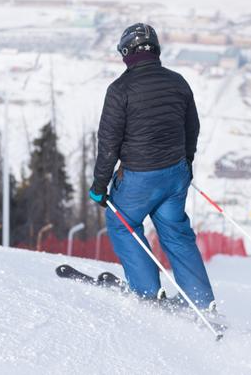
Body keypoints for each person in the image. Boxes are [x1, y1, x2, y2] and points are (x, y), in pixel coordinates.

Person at [88, 23, 215, 310]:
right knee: (176, 231)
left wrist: (99, 187)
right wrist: (187, 163)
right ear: (155, 50)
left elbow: (108, 143)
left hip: (139, 177)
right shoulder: (178, 82)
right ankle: (200, 300)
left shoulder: (120, 89)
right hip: (175, 173)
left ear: (125, 52)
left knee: (123, 225)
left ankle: (147, 293)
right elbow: (191, 127)